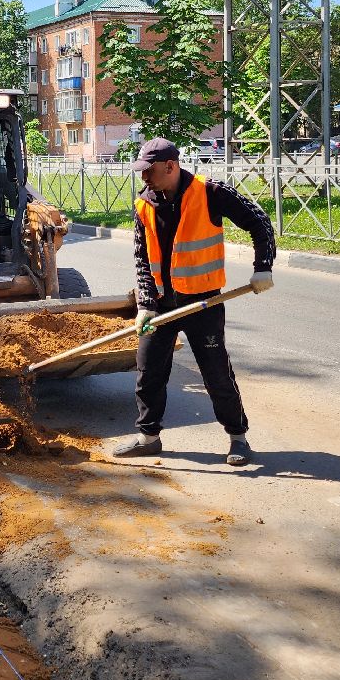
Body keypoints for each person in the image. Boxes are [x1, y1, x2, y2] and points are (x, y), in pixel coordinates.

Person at [113, 138, 276, 467]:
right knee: (148, 371)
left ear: (170, 166)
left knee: (216, 373)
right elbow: (142, 259)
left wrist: (262, 268)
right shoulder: (144, 204)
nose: (144, 178)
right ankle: (148, 438)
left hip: (203, 301)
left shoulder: (211, 192)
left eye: (150, 171)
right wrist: (145, 303)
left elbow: (260, 223)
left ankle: (238, 438)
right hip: (160, 304)